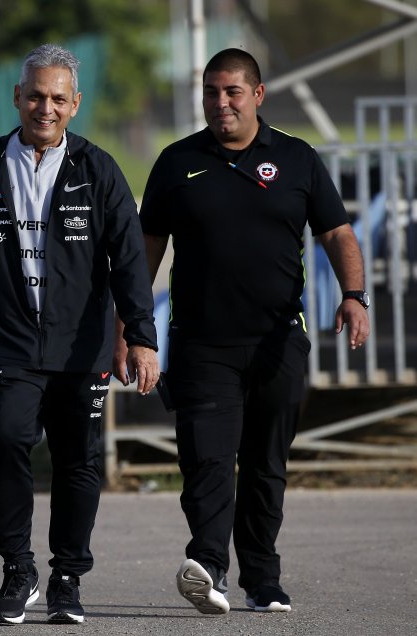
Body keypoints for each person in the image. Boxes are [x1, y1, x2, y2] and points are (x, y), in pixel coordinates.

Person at [0, 44, 160, 625]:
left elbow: (129, 261)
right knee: (4, 437)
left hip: (83, 346)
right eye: (34, 96)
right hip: (12, 343)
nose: (43, 108)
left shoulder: (99, 170)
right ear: (16, 98)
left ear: (75, 104)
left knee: (79, 460)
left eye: (56, 98)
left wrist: (141, 337)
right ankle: (18, 570)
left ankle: (67, 577)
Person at [132, 48, 370, 615]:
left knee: (265, 464)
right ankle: (208, 566)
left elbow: (337, 234)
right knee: (207, 461)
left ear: (257, 95)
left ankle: (263, 578)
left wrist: (354, 297)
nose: (221, 103)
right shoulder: (175, 161)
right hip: (201, 344)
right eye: (212, 92)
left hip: (277, 341)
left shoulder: (296, 158)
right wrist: (131, 326)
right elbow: (147, 250)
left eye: (232, 91)